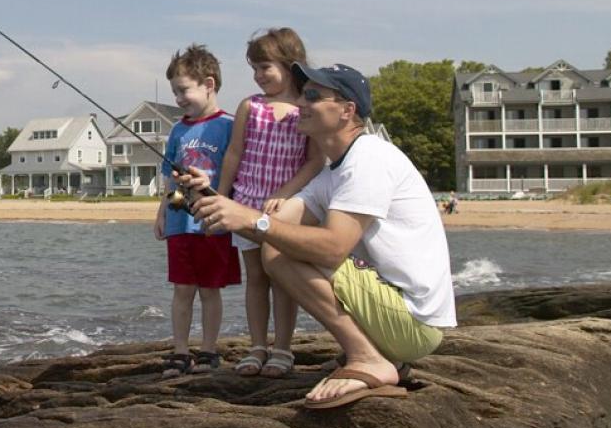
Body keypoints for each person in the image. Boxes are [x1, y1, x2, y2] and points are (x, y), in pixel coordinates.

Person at [177, 62, 456, 409]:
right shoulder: (331, 172)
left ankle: (367, 358)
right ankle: (378, 354)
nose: (300, 104)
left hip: (414, 325)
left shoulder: (368, 159)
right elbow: (278, 221)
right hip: (395, 321)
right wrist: (217, 200)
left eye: (312, 95)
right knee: (278, 247)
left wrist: (251, 221)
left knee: (280, 255)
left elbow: (331, 249)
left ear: (346, 111)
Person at [216, 28, 323, 378]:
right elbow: (234, 153)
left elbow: (313, 161)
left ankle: (283, 348)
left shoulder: (306, 107)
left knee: (282, 276)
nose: (259, 76)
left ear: (290, 65)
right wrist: (222, 195)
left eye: (265, 67)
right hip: (246, 203)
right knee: (256, 277)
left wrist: (286, 193)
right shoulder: (251, 106)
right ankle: (257, 345)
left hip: (286, 209)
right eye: (255, 69)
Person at [154, 44, 239, 378]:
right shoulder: (178, 130)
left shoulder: (230, 125)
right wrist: (162, 212)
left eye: (184, 90)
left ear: (209, 84)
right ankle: (179, 350)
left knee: (209, 290)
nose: (179, 98)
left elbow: (236, 173)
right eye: (175, 92)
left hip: (214, 221)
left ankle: (208, 350)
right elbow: (169, 179)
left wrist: (211, 180)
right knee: (182, 289)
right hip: (180, 220)